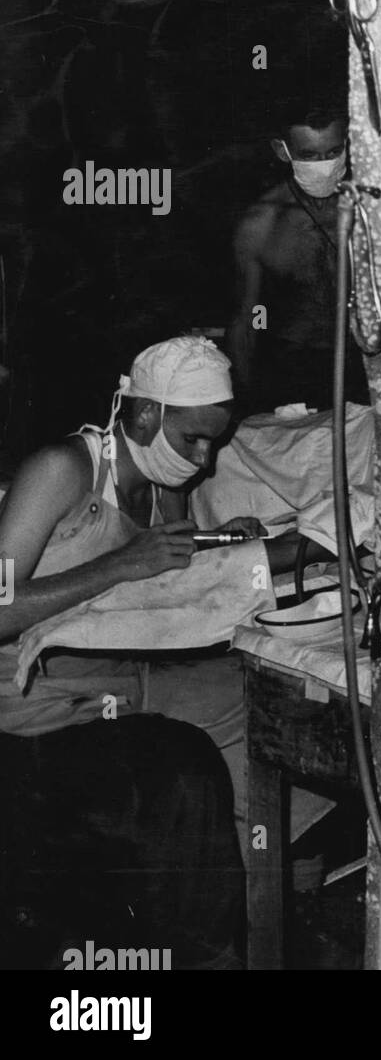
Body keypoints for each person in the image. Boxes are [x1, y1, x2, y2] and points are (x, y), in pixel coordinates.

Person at [0, 335, 256, 967]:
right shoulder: (61, 470)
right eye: (194, 438)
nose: (204, 458)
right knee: (184, 772)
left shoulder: (166, 489)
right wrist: (119, 564)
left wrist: (225, 548)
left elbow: (164, 581)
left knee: (251, 702)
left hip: (122, 684)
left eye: (214, 442)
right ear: (144, 415)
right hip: (36, 705)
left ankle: (253, 895)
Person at [227, 101, 374, 414]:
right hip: (295, 369)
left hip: (367, 359)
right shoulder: (262, 224)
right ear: (283, 152)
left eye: (333, 151)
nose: (324, 163)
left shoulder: (371, 209)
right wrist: (243, 400)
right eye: (309, 155)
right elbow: (248, 320)